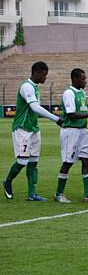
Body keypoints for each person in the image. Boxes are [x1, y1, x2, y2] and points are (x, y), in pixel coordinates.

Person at [3, 61, 63, 201]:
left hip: (34, 128)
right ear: (36, 72)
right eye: (44, 75)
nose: (45, 77)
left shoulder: (35, 87)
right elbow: (35, 108)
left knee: (33, 161)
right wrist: (57, 119)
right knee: (23, 161)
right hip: (22, 128)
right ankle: (7, 182)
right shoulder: (26, 87)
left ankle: (32, 193)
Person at [54, 68, 88, 203]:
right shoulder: (69, 93)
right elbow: (71, 114)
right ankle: (59, 194)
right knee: (68, 162)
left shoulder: (81, 92)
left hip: (82, 131)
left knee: (87, 160)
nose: (85, 81)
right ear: (74, 79)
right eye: (82, 79)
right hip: (71, 131)